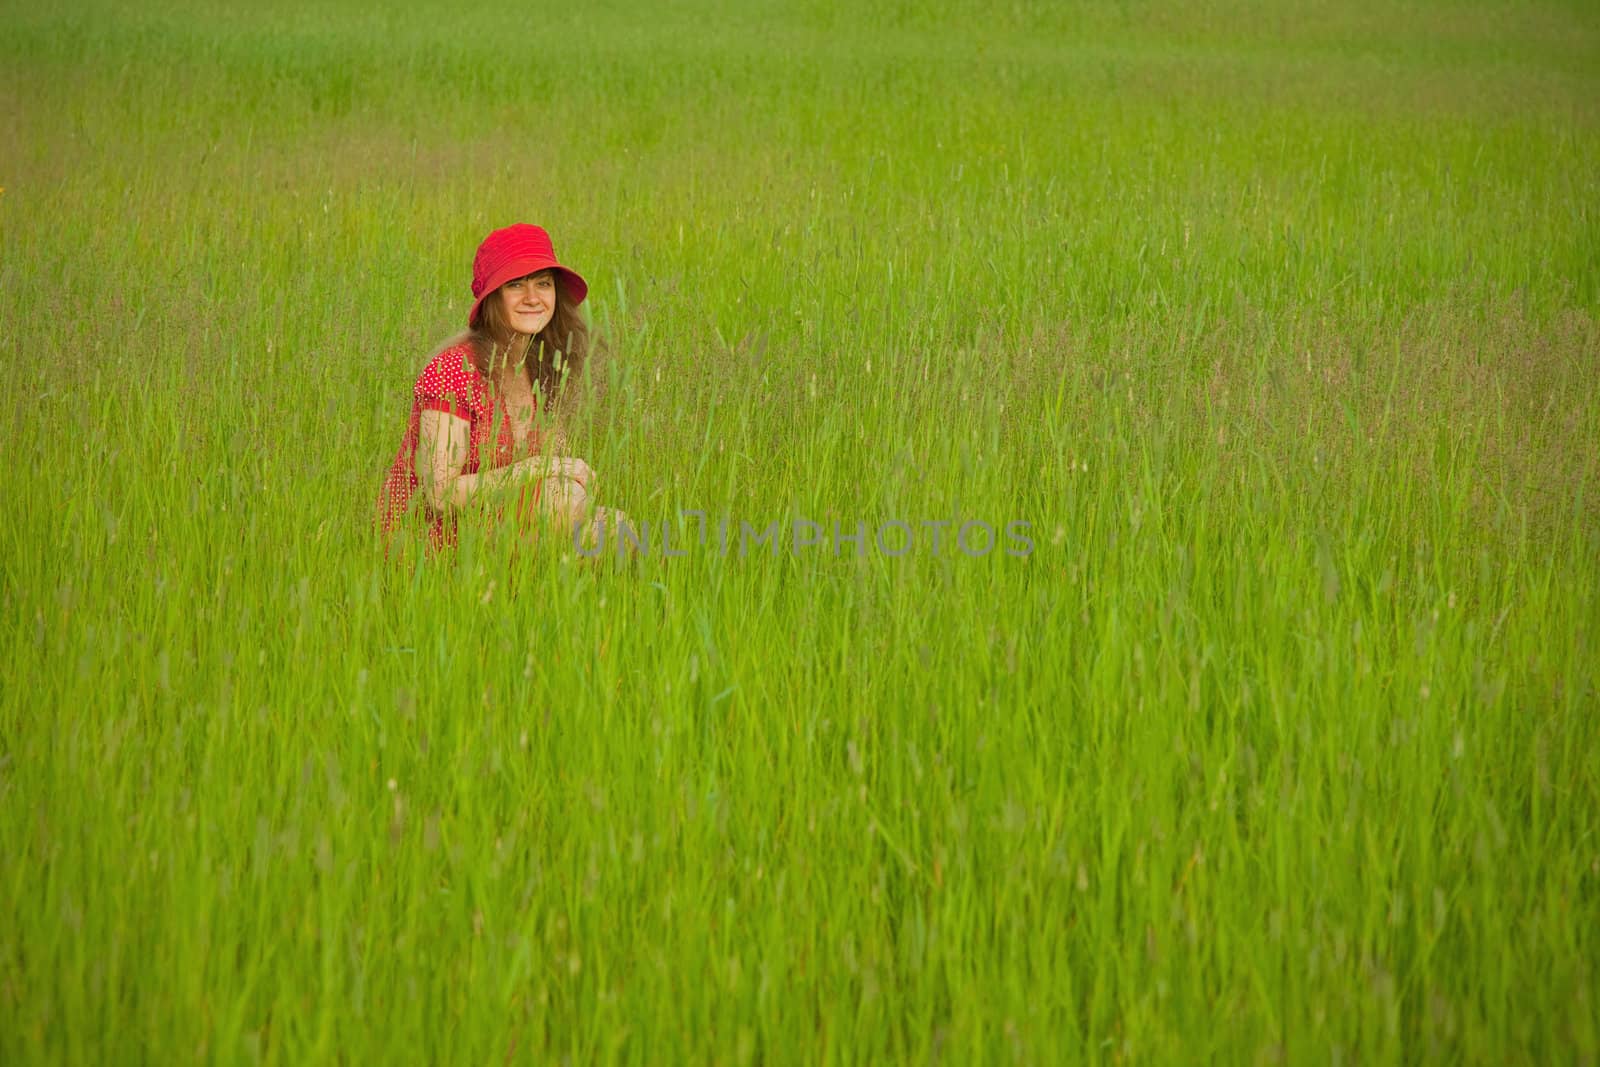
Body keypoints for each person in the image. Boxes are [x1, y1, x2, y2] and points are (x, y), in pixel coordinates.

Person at [377, 223, 617, 556]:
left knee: (615, 529)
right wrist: (543, 469)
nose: (532, 298)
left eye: (543, 284)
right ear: (493, 298)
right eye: (515, 285)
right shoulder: (453, 371)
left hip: (501, 525)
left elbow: (558, 470)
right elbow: (440, 494)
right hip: (435, 541)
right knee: (576, 516)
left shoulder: (541, 368)